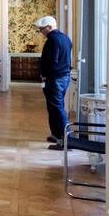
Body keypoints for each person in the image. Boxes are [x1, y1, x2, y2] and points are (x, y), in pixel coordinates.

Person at [35, 15, 72, 148]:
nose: (41, 32)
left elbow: (52, 61)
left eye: (42, 29)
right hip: (64, 77)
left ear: (49, 27)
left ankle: (67, 140)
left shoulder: (52, 40)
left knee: (57, 108)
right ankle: (56, 135)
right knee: (55, 107)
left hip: (55, 78)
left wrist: (44, 75)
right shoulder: (65, 38)